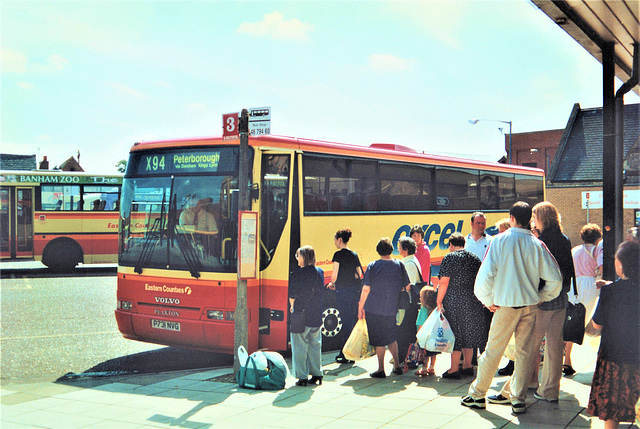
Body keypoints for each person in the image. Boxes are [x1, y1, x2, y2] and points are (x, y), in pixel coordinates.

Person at [461, 201, 563, 415]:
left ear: (512, 218)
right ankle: (518, 399)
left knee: (493, 351)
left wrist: (487, 300)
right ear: (529, 220)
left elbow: (485, 276)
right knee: (525, 353)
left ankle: (478, 394)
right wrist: (542, 297)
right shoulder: (537, 243)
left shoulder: (499, 241)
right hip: (530, 305)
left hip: (504, 305)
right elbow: (555, 278)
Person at [491, 201, 575, 405]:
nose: (532, 221)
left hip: (542, 299)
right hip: (561, 299)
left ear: (542, 218)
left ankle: (511, 390)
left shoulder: (541, 240)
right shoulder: (564, 238)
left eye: (535, 217)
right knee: (555, 347)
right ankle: (549, 391)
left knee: (528, 347)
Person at [587, 241, 640, 429]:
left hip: (613, 356)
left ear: (621, 265)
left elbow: (597, 323)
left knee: (611, 406)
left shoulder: (609, 292)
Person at [358, 237, 410, 378]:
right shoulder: (399, 264)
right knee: (392, 337)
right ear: (391, 250)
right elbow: (407, 286)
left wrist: (360, 307)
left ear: (378, 250)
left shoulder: (373, 265)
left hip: (374, 308)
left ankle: (381, 369)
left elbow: (366, 289)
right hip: (391, 307)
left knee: (379, 339)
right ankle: (397, 365)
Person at [436, 232, 486, 379]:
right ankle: (468, 366)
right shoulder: (475, 259)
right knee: (468, 331)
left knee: (456, 332)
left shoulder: (449, 258)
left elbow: (444, 282)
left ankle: (453, 369)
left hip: (454, 299)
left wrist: (439, 301)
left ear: (451, 245)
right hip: (472, 299)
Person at [565, 223, 603, 374]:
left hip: (574, 286)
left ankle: (567, 359)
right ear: (597, 237)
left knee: (573, 322)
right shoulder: (598, 249)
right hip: (591, 285)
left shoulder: (575, 250)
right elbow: (601, 268)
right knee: (594, 321)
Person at [289, 245, 325, 386]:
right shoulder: (320, 272)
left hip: (301, 316)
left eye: (298, 255)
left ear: (303, 257)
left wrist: (293, 307)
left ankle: (302, 377)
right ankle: (317, 374)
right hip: (316, 314)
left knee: (300, 346)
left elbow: (292, 296)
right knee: (315, 345)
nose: (297, 258)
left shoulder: (296, 274)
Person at [326, 228, 363, 364]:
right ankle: (351, 352)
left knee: (345, 321)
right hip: (353, 291)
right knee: (351, 321)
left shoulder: (338, 255)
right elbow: (358, 275)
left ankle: (344, 352)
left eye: (335, 240)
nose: (335, 243)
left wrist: (332, 283)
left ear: (340, 240)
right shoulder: (354, 254)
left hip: (342, 292)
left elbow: (334, 276)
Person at [397, 236, 421, 366]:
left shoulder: (409, 264)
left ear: (405, 249)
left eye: (400, 246)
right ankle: (407, 358)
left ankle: (408, 358)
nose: (398, 249)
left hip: (409, 303)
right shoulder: (411, 260)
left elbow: (408, 285)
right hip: (410, 303)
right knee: (408, 330)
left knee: (406, 331)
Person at [415, 285, 438, 376]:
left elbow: (420, 323)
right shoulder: (435, 309)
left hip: (425, 336)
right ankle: (432, 368)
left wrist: (418, 336)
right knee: (433, 353)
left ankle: (424, 368)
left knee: (425, 353)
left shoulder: (423, 309)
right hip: (434, 335)